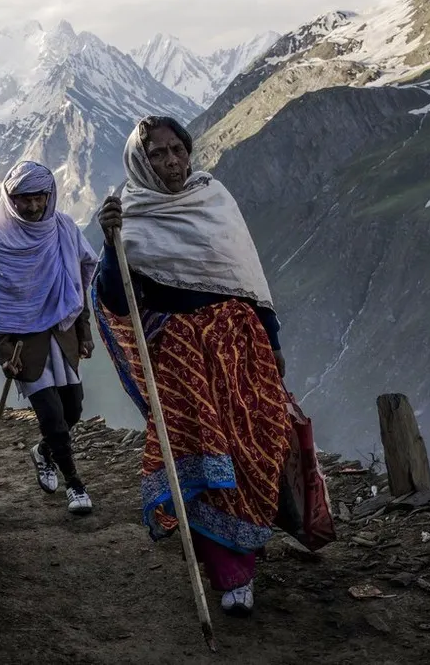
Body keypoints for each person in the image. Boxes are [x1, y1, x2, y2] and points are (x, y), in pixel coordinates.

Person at [92, 116, 333, 616]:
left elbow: (246, 274)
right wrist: (113, 244)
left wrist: (272, 338)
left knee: (254, 443)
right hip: (181, 360)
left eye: (177, 149)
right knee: (203, 455)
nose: (171, 161)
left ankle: (249, 543)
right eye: (157, 154)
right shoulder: (131, 215)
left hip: (241, 346)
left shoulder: (214, 198)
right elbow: (116, 299)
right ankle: (230, 574)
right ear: (140, 162)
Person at [0, 160, 97, 515]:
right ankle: (75, 485)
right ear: (10, 198)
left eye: (39, 198)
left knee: (73, 407)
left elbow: (78, 282)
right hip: (23, 344)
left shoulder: (63, 228)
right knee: (51, 414)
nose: (33, 207)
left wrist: (83, 331)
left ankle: (43, 452)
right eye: (24, 199)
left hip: (60, 335)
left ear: (50, 195)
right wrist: (3, 353)